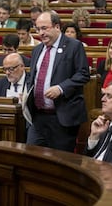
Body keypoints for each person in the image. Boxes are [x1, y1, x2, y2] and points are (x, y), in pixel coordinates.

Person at [25, 11, 90, 152]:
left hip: (62, 117)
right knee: (31, 157)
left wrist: (61, 88)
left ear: (57, 27)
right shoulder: (37, 50)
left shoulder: (74, 46)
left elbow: (83, 74)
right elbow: (33, 78)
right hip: (38, 117)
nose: (40, 33)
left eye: (44, 28)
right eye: (37, 29)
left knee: (59, 163)